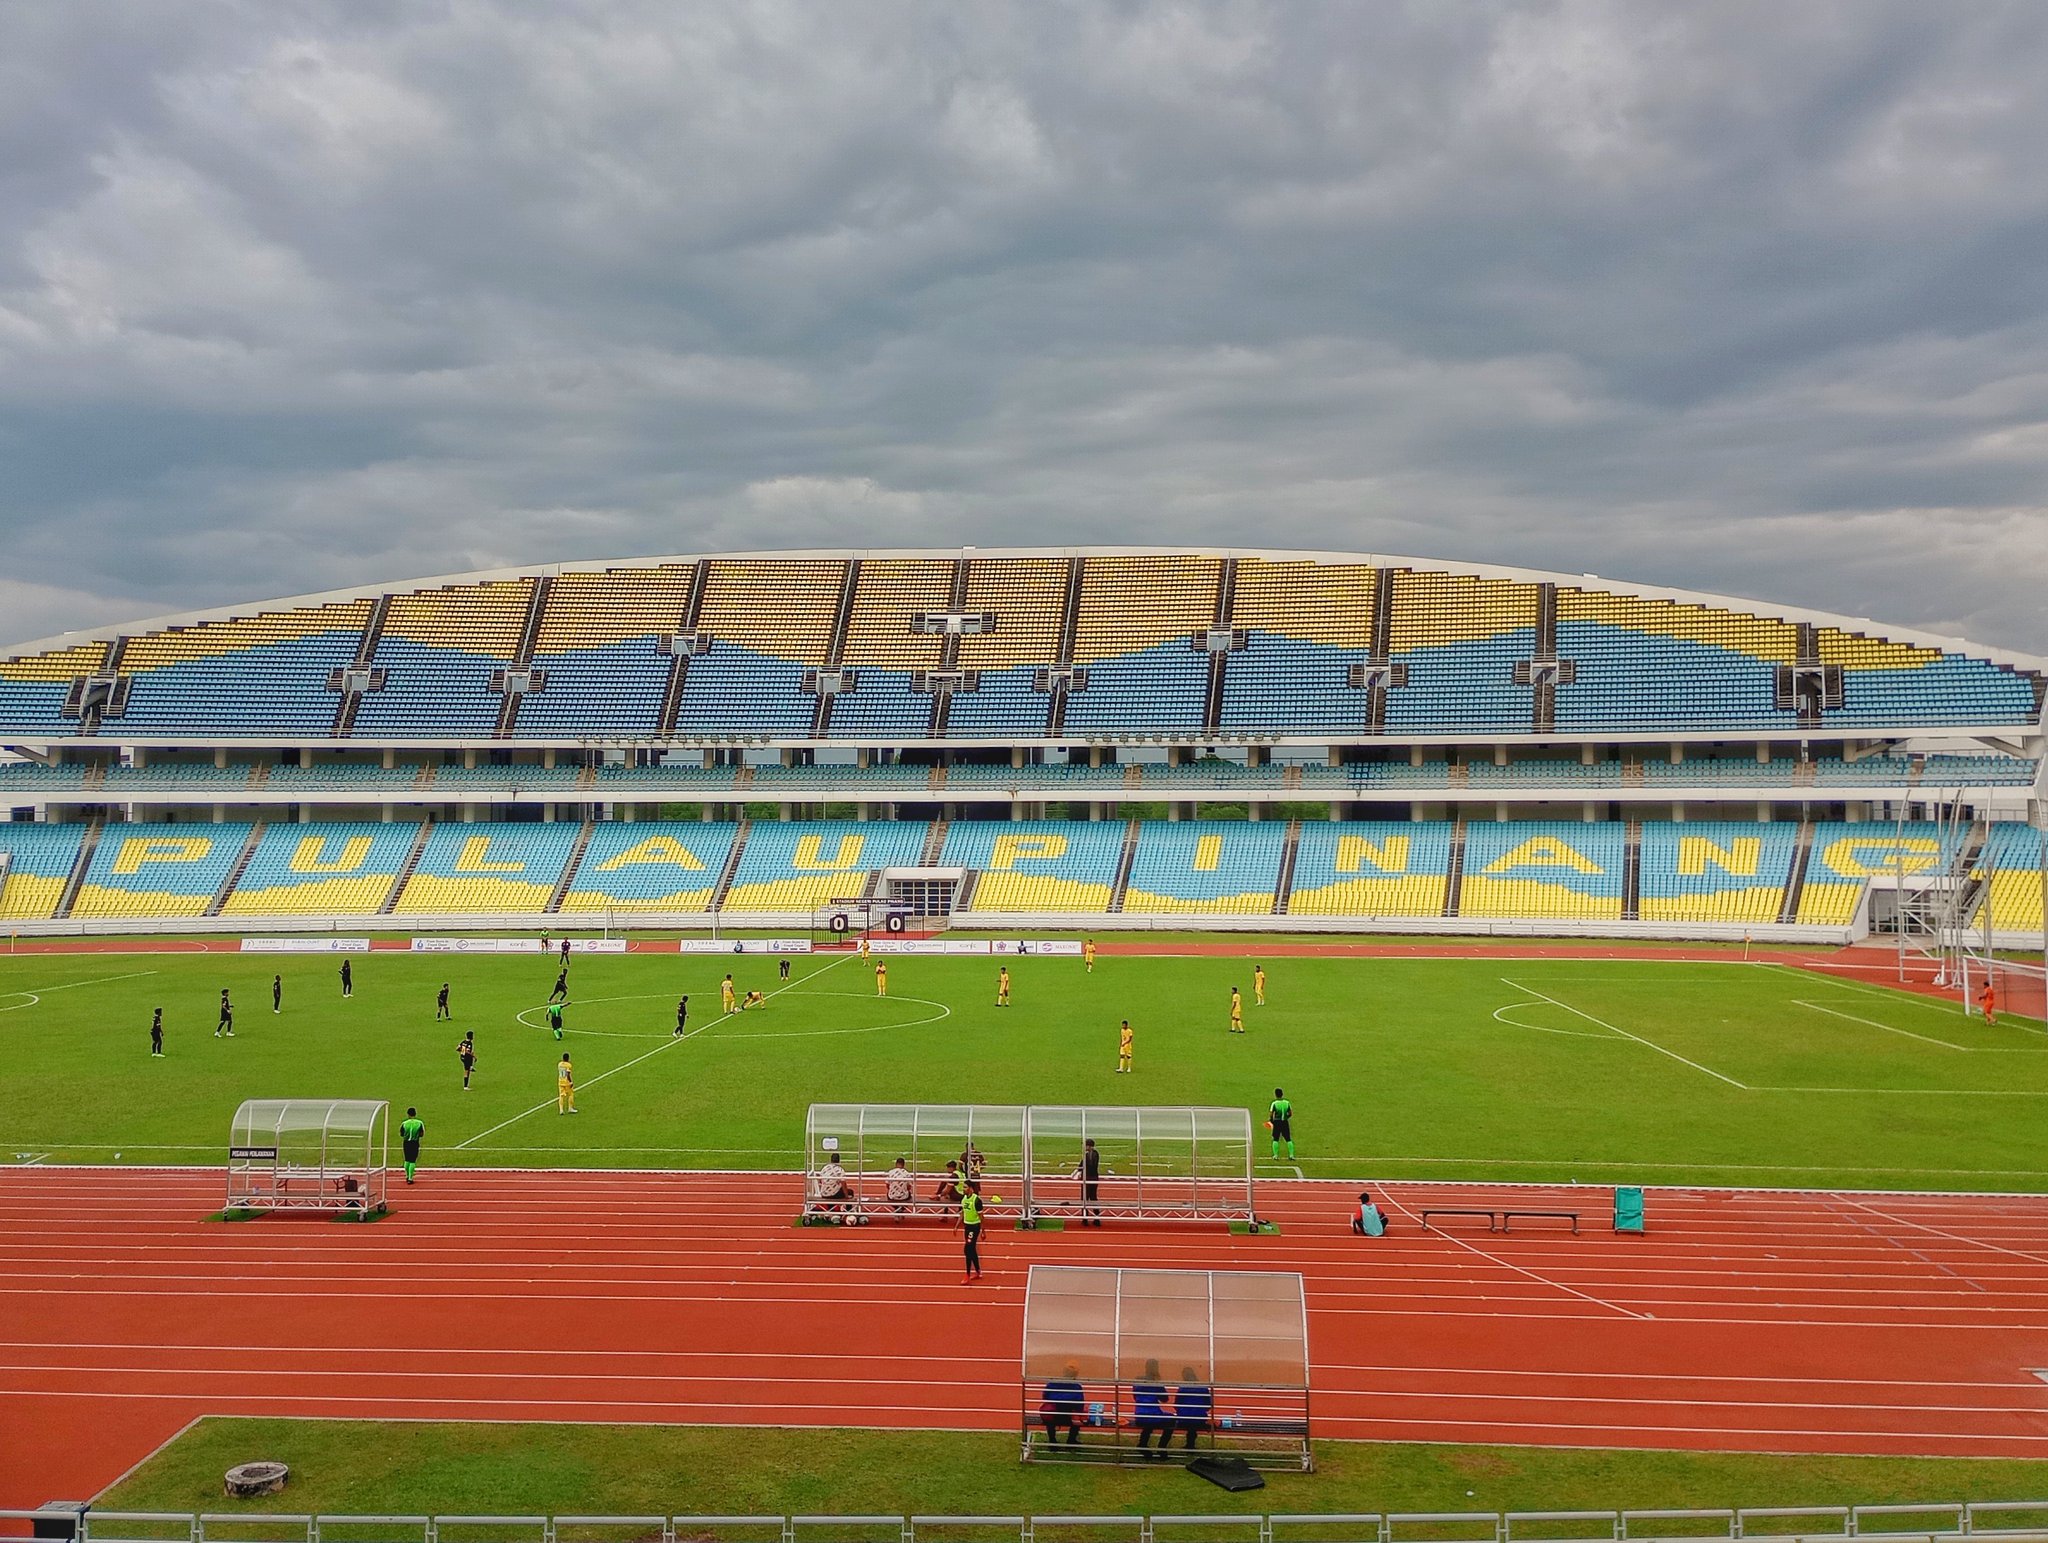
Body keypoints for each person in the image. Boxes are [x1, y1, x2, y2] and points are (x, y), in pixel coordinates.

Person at [1039, 1362, 1085, 1446]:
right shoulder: (1076, 1387)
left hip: (1053, 1416)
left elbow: (1045, 1397)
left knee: (1049, 1414)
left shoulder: (1052, 1384)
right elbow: (1080, 1404)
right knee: (1078, 1416)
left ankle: (1052, 1440)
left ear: (1063, 1372)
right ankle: (1071, 1440)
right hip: (1068, 1416)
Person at [1132, 1359, 1172, 1457]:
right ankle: (1161, 1448)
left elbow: (1135, 1397)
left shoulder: (1138, 1381)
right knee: (1171, 1420)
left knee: (1148, 1423)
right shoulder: (1156, 1383)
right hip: (1153, 1415)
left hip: (1140, 1415)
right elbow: (1165, 1399)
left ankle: (1143, 1444)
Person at [960, 1178, 993, 1281]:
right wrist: (957, 1225)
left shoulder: (977, 1200)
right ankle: (978, 1272)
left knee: (968, 1249)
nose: (963, 1189)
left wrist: (983, 1231)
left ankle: (967, 1274)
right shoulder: (964, 1199)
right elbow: (963, 1213)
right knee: (971, 1250)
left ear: (970, 1188)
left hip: (974, 1227)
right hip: (967, 1226)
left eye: (965, 1187)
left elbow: (981, 1217)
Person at [1174, 1368, 1213, 1449]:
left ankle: (1190, 1445)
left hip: (1184, 1419)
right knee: (1193, 1423)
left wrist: (1182, 1412)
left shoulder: (1182, 1388)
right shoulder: (1203, 1388)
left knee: (1190, 1422)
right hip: (1199, 1419)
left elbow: (1177, 1404)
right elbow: (1208, 1405)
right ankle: (1190, 1445)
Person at [1078, 1137, 1102, 1227]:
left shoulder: (1092, 1154)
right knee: (1091, 1198)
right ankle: (1088, 1218)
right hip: (1092, 1179)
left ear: (1090, 1146)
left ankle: (1090, 1218)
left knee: (1088, 1199)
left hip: (1089, 1179)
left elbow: (1089, 1165)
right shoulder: (1091, 1154)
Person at [399, 1107, 425, 1184]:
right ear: (415, 1113)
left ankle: (407, 1176)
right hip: (414, 1143)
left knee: (407, 1159)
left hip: (406, 1143)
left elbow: (401, 1134)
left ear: (408, 1114)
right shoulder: (419, 1123)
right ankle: (410, 1178)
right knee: (412, 1160)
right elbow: (421, 1134)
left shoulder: (404, 1123)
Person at [1269, 1087, 1295, 1159]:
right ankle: (1291, 1155)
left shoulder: (1274, 1103)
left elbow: (1271, 1114)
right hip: (1285, 1122)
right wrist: (1286, 1117)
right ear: (1282, 1094)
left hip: (1277, 1122)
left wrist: (1271, 1121)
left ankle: (1275, 1155)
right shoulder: (1287, 1102)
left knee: (1275, 1138)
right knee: (1288, 1138)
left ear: (1275, 1095)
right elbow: (1290, 1113)